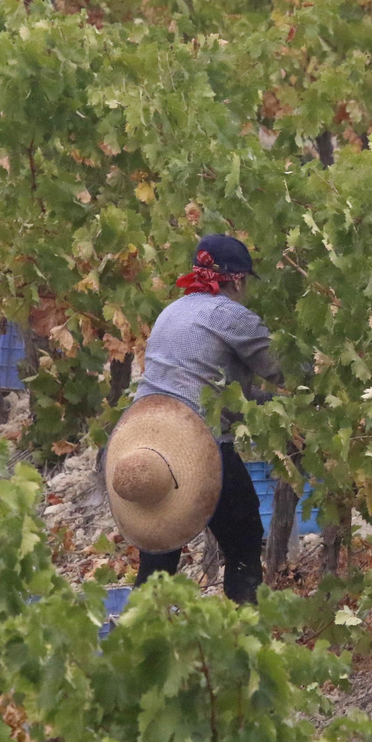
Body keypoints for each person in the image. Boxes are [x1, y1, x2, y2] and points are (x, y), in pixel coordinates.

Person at [125, 233, 284, 603]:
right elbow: (287, 371)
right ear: (239, 280)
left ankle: (136, 641)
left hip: (145, 443)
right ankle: (242, 636)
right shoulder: (231, 315)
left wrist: (261, 403)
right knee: (244, 543)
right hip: (196, 445)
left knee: (158, 558)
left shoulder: (172, 311)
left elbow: (214, 388)